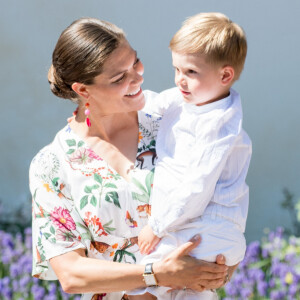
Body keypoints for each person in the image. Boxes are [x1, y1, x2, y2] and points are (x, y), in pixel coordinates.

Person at [29, 17, 233, 300]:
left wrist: (222, 258)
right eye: (119, 78)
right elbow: (70, 273)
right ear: (83, 90)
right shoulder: (52, 165)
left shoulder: (173, 116)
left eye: (135, 63)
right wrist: (158, 273)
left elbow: (223, 180)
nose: (137, 78)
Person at [133, 12, 252, 299]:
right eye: (176, 69)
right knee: (182, 290)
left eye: (190, 73)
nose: (179, 81)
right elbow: (151, 104)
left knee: (144, 283)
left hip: (210, 228)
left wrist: (157, 226)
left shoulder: (219, 130)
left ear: (225, 75)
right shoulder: (187, 99)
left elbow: (195, 187)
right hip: (195, 224)